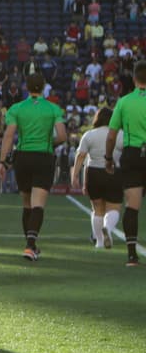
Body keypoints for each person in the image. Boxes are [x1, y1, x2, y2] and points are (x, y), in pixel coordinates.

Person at [0, 72, 67, 261]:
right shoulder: (53, 108)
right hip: (44, 156)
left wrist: (3, 161)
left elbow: (9, 136)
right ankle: (30, 245)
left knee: (26, 203)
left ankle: (31, 245)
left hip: (23, 157)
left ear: (26, 88)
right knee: (38, 204)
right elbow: (62, 135)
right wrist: (49, 142)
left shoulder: (16, 108)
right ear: (43, 87)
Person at [105, 61, 146, 267]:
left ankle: (132, 255)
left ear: (134, 79)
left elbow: (111, 136)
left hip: (132, 154)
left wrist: (108, 158)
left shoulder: (124, 102)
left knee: (132, 206)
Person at [71, 107, 123, 250]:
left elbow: (81, 156)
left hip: (94, 173)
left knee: (97, 209)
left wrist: (75, 175)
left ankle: (99, 242)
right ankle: (107, 227)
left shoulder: (89, 134)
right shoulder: (119, 134)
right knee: (114, 207)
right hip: (113, 171)